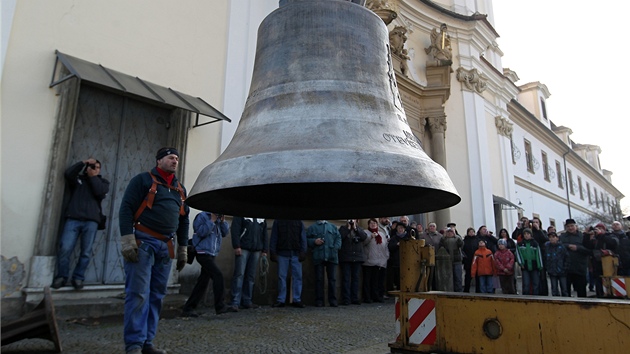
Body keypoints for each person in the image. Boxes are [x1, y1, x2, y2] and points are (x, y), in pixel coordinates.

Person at [119, 147, 189, 354]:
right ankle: (134, 345)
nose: (175, 161)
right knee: (138, 294)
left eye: (177, 158)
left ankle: (147, 342)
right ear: (159, 161)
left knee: (157, 295)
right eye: (170, 158)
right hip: (143, 243)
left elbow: (183, 220)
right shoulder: (141, 181)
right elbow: (126, 209)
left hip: (166, 247)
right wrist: (127, 240)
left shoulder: (180, 189)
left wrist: (183, 248)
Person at [52, 158, 110, 290]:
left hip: (91, 221)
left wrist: (93, 177)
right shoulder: (78, 180)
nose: (94, 168)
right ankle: (62, 276)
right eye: (92, 166)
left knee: (86, 252)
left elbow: (100, 192)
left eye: (97, 167)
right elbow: (68, 174)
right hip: (73, 219)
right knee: (65, 248)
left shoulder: (103, 182)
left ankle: (78, 278)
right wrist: (83, 163)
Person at [181, 212, 230, 317]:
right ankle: (220, 306)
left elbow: (225, 233)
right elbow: (201, 232)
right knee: (218, 275)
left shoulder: (218, 218)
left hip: (212, 253)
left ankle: (188, 308)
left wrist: (222, 222)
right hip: (202, 252)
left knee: (203, 282)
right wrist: (211, 221)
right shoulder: (202, 216)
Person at [229, 217, 268, 310]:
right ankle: (235, 301)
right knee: (239, 275)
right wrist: (236, 245)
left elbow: (264, 233)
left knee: (251, 276)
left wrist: (265, 249)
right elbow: (235, 229)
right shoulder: (240, 213)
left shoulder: (261, 217)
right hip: (243, 247)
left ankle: (247, 300)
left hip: (256, 249)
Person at [270, 220, 307, 308]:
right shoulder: (278, 221)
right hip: (282, 253)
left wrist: (303, 251)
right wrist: (273, 252)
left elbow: (303, 238)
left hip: (296, 253)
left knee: (297, 277)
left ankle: (296, 299)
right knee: (281, 277)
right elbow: (274, 237)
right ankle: (281, 299)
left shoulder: (299, 222)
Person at [307, 220, 342, 307]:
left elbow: (338, 238)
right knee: (319, 279)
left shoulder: (332, 226)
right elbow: (306, 240)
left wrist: (335, 248)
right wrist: (314, 241)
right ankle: (319, 300)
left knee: (332, 279)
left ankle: (333, 300)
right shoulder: (312, 227)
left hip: (331, 256)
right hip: (318, 255)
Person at [583, 223, 618, 297]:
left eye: (600, 228)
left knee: (609, 281)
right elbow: (587, 246)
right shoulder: (595, 239)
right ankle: (600, 295)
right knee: (598, 281)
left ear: (604, 229)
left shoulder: (610, 236)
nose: (598, 230)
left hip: (609, 264)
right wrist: (586, 234)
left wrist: (601, 235)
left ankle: (610, 295)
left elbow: (613, 243)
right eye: (597, 228)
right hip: (597, 263)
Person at [338, 219, 367, 305]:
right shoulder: (343, 228)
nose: (351, 221)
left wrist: (355, 228)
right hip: (346, 257)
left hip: (357, 258)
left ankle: (355, 298)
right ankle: (346, 299)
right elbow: (340, 237)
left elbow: (364, 237)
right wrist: (348, 229)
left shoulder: (359, 229)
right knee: (346, 279)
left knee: (356, 279)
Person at [559, 219, 590, 297]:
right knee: (566, 292)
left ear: (576, 226)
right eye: (568, 226)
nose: (570, 228)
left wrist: (577, 248)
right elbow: (559, 246)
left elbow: (588, 250)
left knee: (581, 291)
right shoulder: (562, 236)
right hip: (567, 268)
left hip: (580, 267)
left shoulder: (582, 236)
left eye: (572, 226)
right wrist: (568, 246)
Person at [362, 218, 389, 303]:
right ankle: (367, 297)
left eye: (375, 223)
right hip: (369, 261)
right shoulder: (366, 232)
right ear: (368, 225)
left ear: (377, 225)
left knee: (377, 281)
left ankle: (377, 296)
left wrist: (386, 256)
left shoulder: (381, 234)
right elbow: (363, 243)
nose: (373, 225)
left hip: (380, 262)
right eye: (371, 223)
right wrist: (371, 237)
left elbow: (385, 246)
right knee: (367, 281)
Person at [516, 228, 543, 295]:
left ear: (531, 235)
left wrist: (540, 265)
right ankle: (526, 297)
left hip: (534, 265)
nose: (526, 235)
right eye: (525, 234)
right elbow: (518, 254)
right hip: (525, 266)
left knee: (536, 283)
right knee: (526, 284)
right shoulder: (520, 244)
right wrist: (521, 263)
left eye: (528, 234)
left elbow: (538, 255)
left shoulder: (535, 244)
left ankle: (536, 297)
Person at [438, 227, 464, 291]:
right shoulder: (443, 239)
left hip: (457, 261)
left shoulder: (457, 238)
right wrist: (444, 236)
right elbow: (440, 246)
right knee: (448, 277)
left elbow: (462, 244)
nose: (450, 233)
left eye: (451, 232)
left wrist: (456, 235)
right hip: (447, 261)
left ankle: (458, 291)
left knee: (458, 277)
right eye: (448, 232)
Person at [544, 232, 569, 297]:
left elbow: (566, 258)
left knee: (564, 288)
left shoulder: (561, 247)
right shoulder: (547, 247)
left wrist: (565, 268)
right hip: (552, 270)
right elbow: (545, 258)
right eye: (550, 237)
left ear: (557, 238)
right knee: (554, 288)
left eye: (553, 237)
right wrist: (548, 268)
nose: (552, 239)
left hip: (561, 270)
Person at [387, 222, 409, 292]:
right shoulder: (394, 238)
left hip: (406, 260)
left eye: (402, 228)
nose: (400, 229)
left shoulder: (408, 237)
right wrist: (396, 245)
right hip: (396, 261)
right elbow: (390, 247)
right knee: (398, 278)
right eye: (399, 228)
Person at [531, 217, 549, 296]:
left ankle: (544, 292)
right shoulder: (531, 233)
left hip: (542, 255)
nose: (535, 223)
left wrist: (539, 230)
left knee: (542, 275)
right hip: (533, 255)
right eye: (534, 222)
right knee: (535, 275)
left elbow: (545, 239)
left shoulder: (543, 231)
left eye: (537, 222)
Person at [462, 227, 478, 293]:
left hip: (476, 260)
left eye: (472, 232)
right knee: (468, 276)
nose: (471, 233)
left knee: (477, 276)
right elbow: (462, 250)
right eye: (470, 232)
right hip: (467, 260)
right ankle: (466, 289)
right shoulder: (464, 241)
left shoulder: (477, 240)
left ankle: (478, 290)